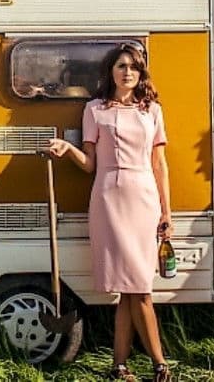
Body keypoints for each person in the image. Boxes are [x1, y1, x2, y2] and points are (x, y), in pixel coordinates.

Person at [48, 43, 173, 382]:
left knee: (137, 287)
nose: (127, 72)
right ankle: (157, 366)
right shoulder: (95, 110)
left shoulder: (152, 111)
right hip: (109, 199)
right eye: (121, 66)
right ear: (111, 72)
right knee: (131, 288)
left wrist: (167, 213)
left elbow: (159, 165)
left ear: (141, 72)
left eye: (133, 66)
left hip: (144, 199)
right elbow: (89, 164)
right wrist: (68, 148)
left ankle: (126, 366)